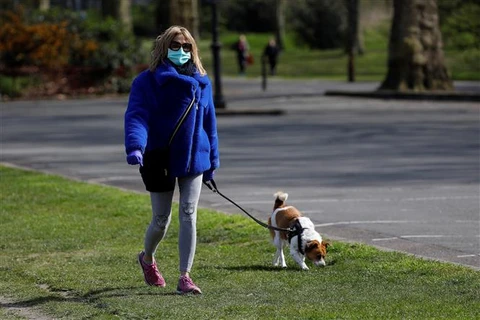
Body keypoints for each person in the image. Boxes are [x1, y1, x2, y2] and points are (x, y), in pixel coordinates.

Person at [124, 25, 220, 295]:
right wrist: (135, 146)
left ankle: (185, 276)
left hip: (194, 157)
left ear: (193, 49)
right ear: (164, 49)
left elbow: (209, 123)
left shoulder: (203, 80)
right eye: (175, 46)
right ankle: (147, 258)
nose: (181, 51)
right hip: (160, 156)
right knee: (161, 219)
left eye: (186, 46)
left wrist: (212, 161)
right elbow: (137, 116)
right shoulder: (147, 81)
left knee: (189, 213)